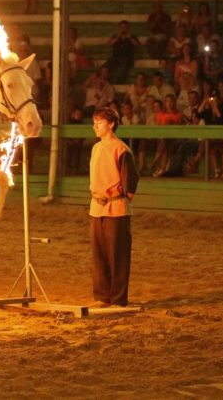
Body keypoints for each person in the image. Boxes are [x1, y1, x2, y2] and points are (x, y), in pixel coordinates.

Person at [88, 106, 137, 308]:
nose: (95, 126)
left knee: (117, 255)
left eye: (99, 122)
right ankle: (102, 296)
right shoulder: (96, 148)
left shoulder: (121, 149)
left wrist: (118, 199)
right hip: (96, 207)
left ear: (111, 124)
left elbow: (130, 182)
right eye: (94, 123)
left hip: (115, 208)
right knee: (99, 255)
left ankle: (117, 298)